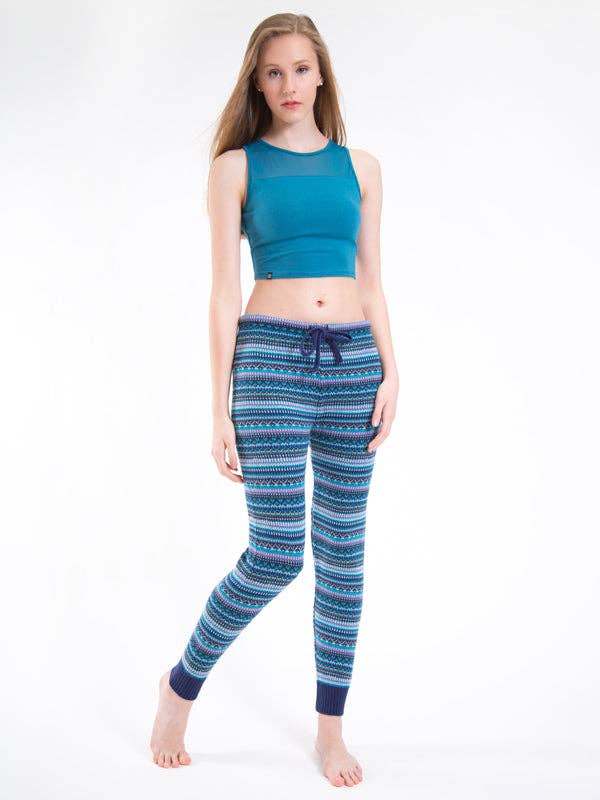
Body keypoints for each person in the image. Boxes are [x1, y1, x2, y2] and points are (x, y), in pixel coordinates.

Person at [150, 12, 398, 787]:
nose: (290, 84)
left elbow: (372, 281)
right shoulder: (236, 167)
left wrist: (393, 371)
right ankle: (179, 687)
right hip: (269, 366)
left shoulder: (362, 167)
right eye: (273, 72)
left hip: (355, 366)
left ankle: (330, 733)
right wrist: (217, 406)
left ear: (322, 75)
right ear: (257, 85)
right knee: (277, 553)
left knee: (344, 556)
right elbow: (224, 292)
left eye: (301, 68)